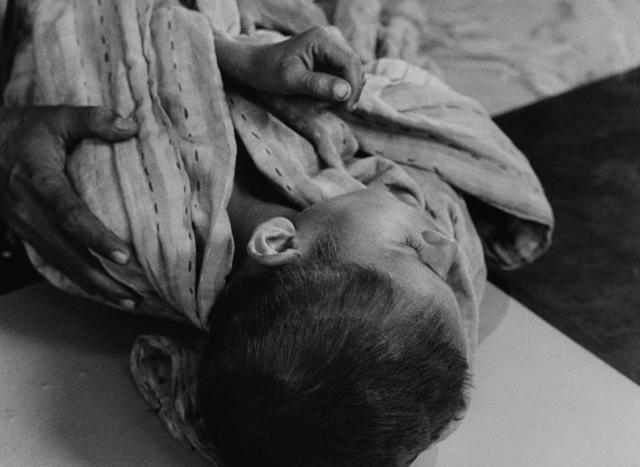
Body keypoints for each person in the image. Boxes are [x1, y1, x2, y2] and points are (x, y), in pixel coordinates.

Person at [1, 0, 553, 465]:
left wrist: (212, 52)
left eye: (412, 250)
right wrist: (238, 55)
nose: (444, 242)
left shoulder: (122, 230)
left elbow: (114, 46)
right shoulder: (340, 204)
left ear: (280, 244)